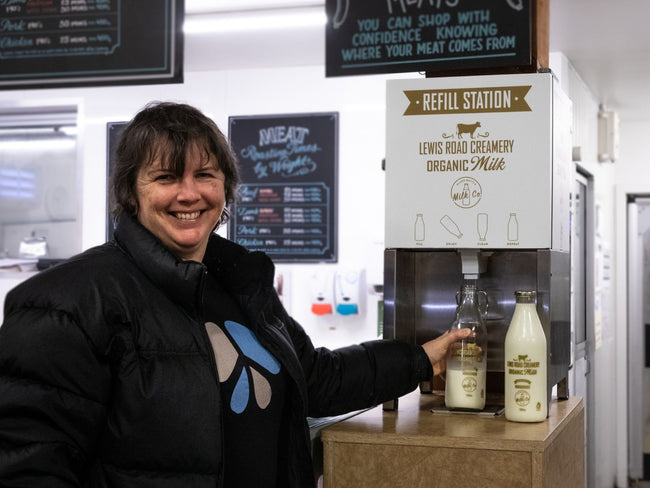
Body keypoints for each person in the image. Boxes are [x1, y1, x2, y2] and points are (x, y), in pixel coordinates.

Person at [0, 101, 470, 488]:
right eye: (165, 178)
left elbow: (315, 379)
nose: (189, 194)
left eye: (205, 174)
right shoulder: (68, 303)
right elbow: (30, 468)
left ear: (226, 186)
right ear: (130, 192)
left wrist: (419, 360)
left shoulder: (239, 284)